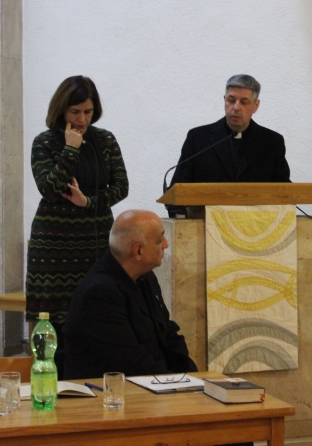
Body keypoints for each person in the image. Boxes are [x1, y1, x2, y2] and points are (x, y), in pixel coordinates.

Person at [25, 76, 129, 345]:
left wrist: (89, 202)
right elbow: (49, 188)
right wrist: (70, 149)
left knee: (98, 312)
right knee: (54, 324)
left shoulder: (105, 140)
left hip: (96, 239)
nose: (82, 119)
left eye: (88, 112)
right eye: (75, 111)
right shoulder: (44, 142)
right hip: (54, 245)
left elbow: (122, 187)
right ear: (61, 109)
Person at [64, 210, 197, 379]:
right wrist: (176, 383)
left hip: (150, 381)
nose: (166, 244)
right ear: (138, 251)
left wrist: (193, 376)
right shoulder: (100, 293)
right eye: (159, 240)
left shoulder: (146, 277)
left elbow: (167, 334)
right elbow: (130, 362)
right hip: (108, 390)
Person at [166, 74, 290, 217]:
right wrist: (181, 220)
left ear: (256, 106)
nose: (236, 107)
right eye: (231, 100)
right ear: (224, 100)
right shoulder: (198, 138)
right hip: (204, 224)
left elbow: (283, 191)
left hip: (256, 224)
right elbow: (177, 189)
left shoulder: (272, 142)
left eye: (244, 102)